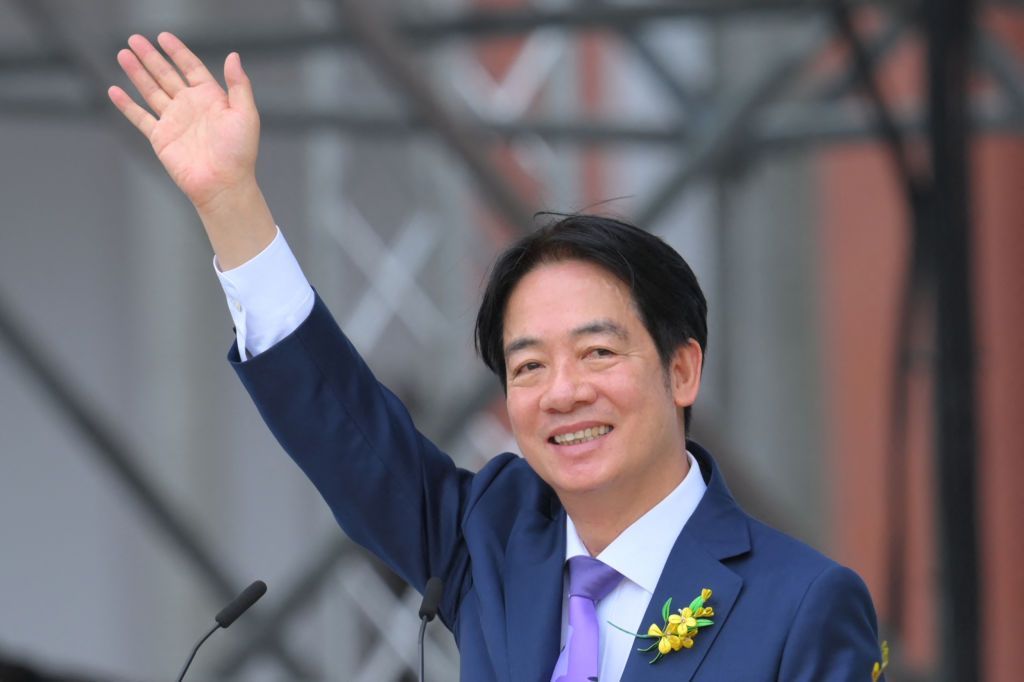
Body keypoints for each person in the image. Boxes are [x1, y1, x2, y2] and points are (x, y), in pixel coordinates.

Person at [108, 33, 886, 681]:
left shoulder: (802, 603)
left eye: (597, 351)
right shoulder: (498, 539)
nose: (563, 392)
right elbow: (345, 436)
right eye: (528, 367)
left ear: (681, 369)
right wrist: (230, 202)